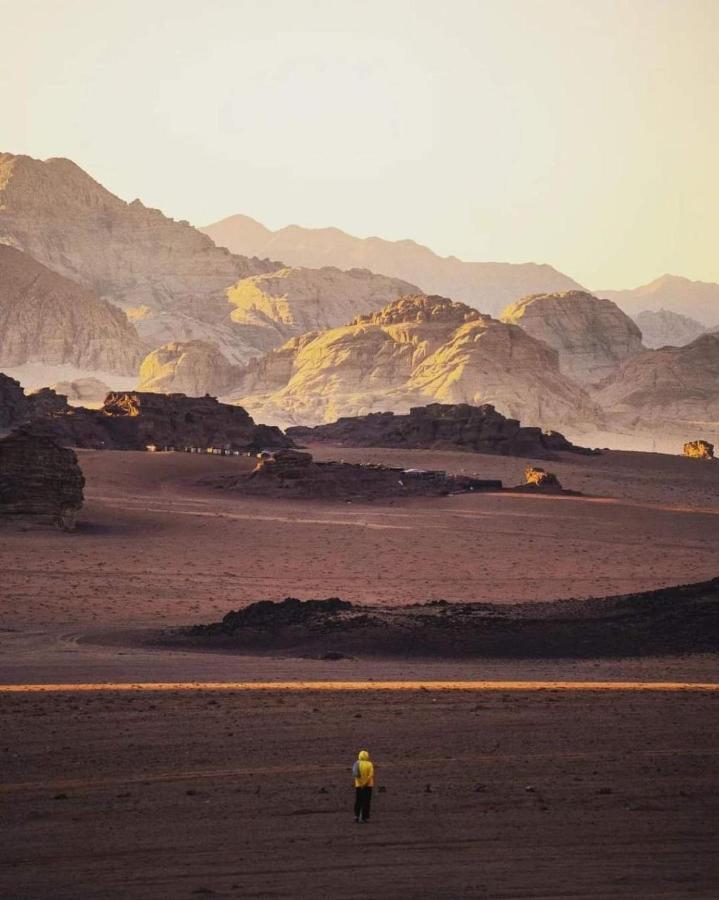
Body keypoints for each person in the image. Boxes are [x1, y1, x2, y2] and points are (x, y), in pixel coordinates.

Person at [353, 749, 374, 823]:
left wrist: (361, 783)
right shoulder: (369, 764)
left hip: (358, 786)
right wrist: (365, 783)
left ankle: (356, 816)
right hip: (368, 786)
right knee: (366, 801)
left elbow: (355, 775)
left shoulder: (356, 763)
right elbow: (371, 775)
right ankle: (364, 818)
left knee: (358, 800)